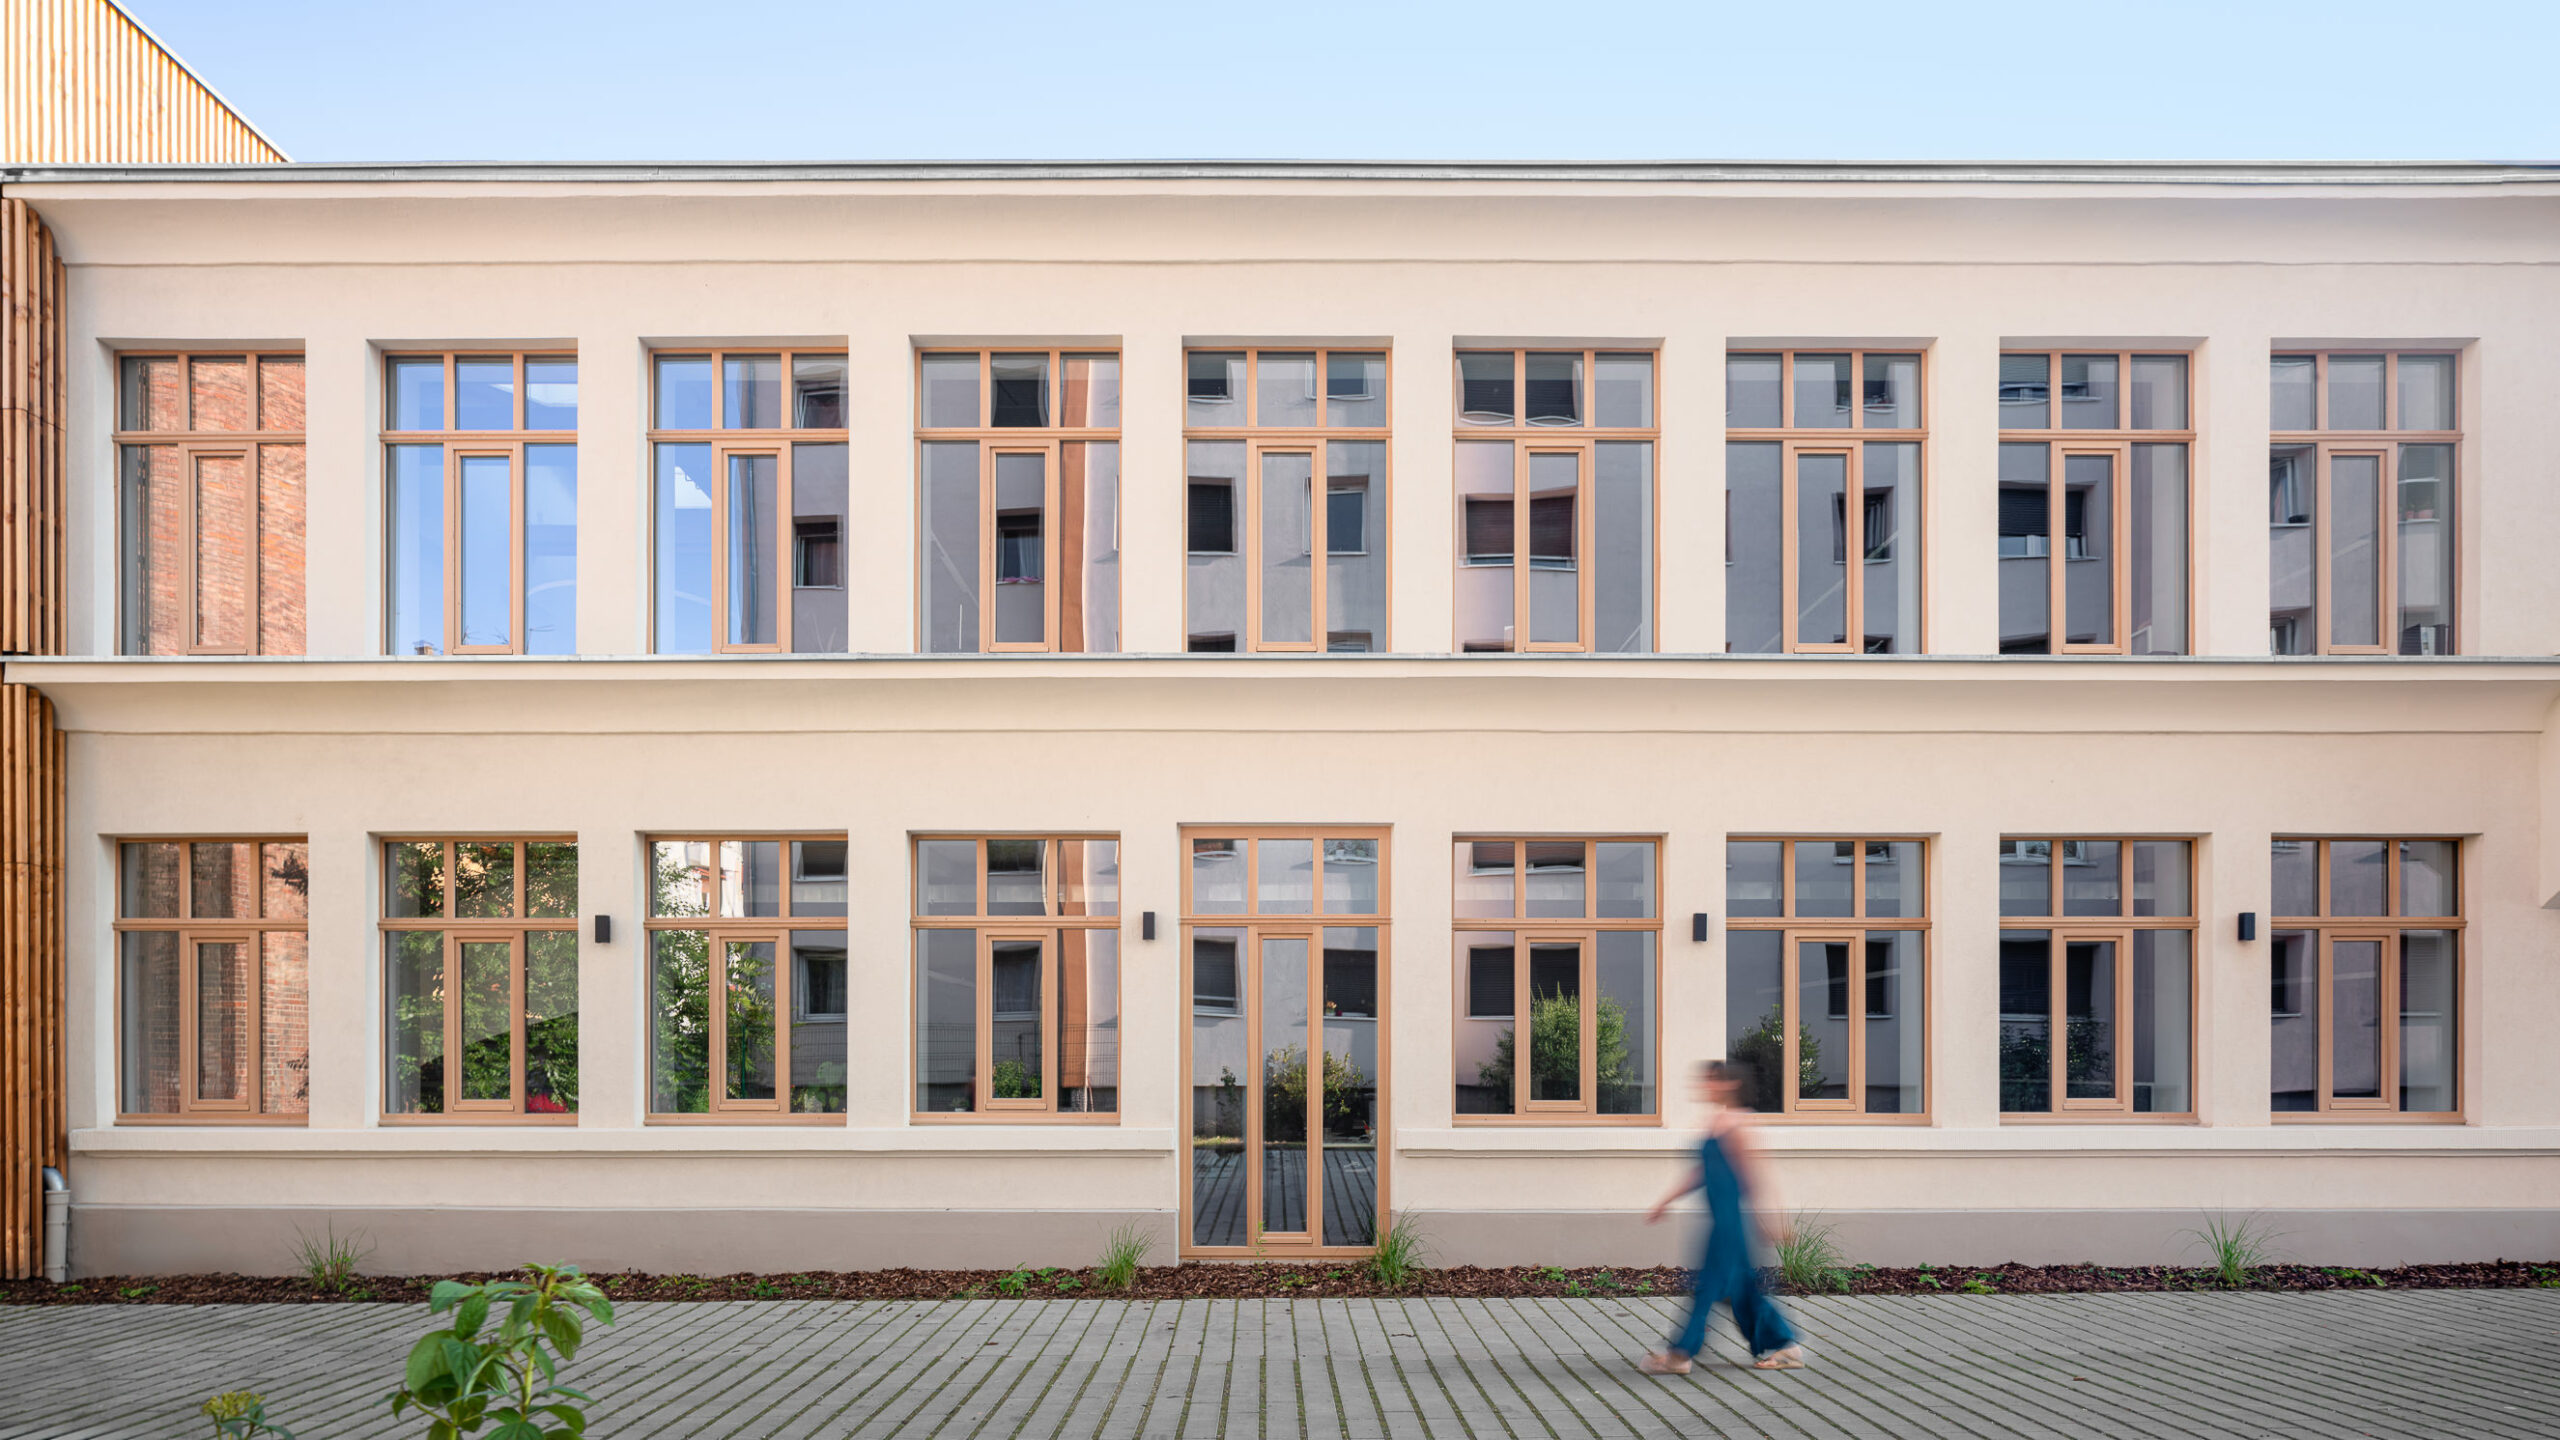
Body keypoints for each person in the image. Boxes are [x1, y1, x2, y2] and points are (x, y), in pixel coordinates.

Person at [1640, 1059, 1805, 1374]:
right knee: (1743, 1291)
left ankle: (1680, 1355)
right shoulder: (1715, 1121)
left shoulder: (1741, 1124)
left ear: (1732, 1084)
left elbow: (1756, 1176)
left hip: (1732, 1224)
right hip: (1720, 1222)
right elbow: (1702, 1172)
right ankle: (1788, 1346)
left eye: (1712, 1080)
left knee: (1708, 1286)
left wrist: (1771, 1221)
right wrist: (1666, 1200)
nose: (1705, 1086)